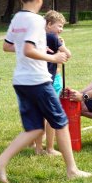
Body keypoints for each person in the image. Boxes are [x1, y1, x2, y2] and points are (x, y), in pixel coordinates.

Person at [0, 0, 92, 183]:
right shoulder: (36, 21)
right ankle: (72, 170)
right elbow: (27, 50)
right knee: (61, 122)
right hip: (38, 80)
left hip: (21, 81)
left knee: (35, 128)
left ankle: (0, 162)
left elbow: (8, 47)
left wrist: (39, 49)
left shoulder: (17, 18)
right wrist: (53, 57)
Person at [34, 10, 71, 156]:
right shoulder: (52, 38)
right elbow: (68, 54)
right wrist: (63, 44)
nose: (61, 29)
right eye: (59, 26)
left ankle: (38, 147)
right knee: (52, 114)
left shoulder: (36, 37)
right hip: (51, 79)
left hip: (37, 80)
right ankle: (50, 148)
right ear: (49, 24)